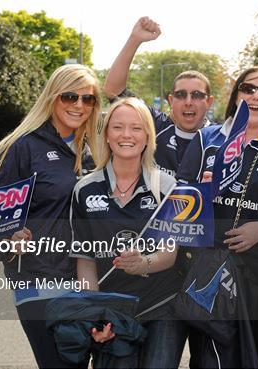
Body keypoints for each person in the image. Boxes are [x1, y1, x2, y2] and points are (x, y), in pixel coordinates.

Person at [177, 66, 258, 368]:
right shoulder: (206, 140)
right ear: (236, 96)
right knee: (208, 359)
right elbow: (178, 205)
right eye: (248, 89)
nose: (256, 96)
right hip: (209, 270)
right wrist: (201, 195)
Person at [0, 64, 101, 368]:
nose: (79, 105)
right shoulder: (19, 148)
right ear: (52, 97)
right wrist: (8, 240)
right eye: (70, 96)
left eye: (87, 99)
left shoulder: (93, 151)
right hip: (38, 281)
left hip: (87, 279)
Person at [70, 97, 185, 368]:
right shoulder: (85, 189)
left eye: (136, 128)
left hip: (162, 305)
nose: (126, 135)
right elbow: (85, 261)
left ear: (148, 136)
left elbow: (169, 254)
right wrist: (96, 314)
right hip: (113, 310)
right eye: (118, 127)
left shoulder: (168, 186)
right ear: (106, 135)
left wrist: (144, 263)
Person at [103, 16, 215, 177]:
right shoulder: (157, 126)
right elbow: (113, 91)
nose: (188, 102)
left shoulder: (220, 138)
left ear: (209, 102)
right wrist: (135, 39)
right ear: (170, 100)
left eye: (197, 95)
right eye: (180, 95)